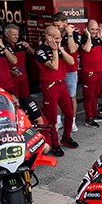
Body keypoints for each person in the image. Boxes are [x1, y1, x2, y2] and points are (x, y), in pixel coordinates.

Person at [34, 25, 75, 153]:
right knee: (51, 117)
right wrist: (55, 51)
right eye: (56, 38)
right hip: (49, 85)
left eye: (60, 37)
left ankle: (66, 137)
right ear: (48, 37)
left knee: (69, 113)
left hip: (62, 83)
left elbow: (72, 61)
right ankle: (54, 143)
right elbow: (54, 66)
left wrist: (60, 49)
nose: (59, 40)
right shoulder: (40, 50)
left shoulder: (58, 47)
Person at [79, 19, 102, 127]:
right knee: (89, 96)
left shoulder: (98, 38)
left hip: (98, 71)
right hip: (89, 72)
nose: (94, 31)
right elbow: (87, 49)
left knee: (95, 94)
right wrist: (89, 37)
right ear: (87, 29)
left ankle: (94, 114)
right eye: (92, 29)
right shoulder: (83, 38)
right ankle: (89, 118)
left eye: (96, 29)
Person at [53, 13, 81, 133]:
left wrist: (69, 34)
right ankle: (58, 120)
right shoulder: (54, 34)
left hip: (70, 71)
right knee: (57, 97)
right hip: (57, 70)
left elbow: (73, 49)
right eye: (54, 25)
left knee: (71, 96)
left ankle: (72, 121)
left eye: (58, 25)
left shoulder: (74, 33)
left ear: (65, 22)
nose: (56, 28)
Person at [2, 23, 33, 98]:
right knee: (14, 100)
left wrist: (28, 47)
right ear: (6, 34)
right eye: (14, 35)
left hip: (23, 77)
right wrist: (10, 71)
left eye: (17, 34)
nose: (16, 36)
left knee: (26, 99)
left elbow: (34, 54)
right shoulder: (1, 46)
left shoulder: (21, 44)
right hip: (10, 79)